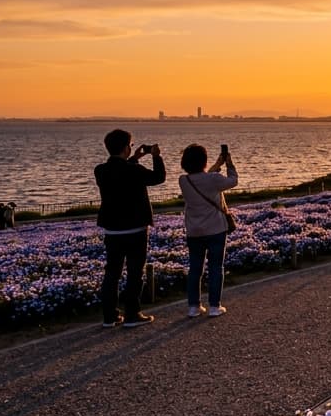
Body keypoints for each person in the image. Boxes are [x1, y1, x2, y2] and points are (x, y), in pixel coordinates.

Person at [94, 129, 165, 328]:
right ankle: (132, 314)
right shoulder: (134, 171)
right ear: (126, 147)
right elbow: (158, 177)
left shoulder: (100, 170)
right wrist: (156, 157)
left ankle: (109, 316)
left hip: (112, 230)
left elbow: (119, 171)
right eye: (130, 146)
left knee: (112, 274)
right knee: (135, 273)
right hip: (135, 230)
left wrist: (134, 158)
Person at [179, 144, 238, 319]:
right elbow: (233, 180)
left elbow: (204, 179)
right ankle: (214, 306)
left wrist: (216, 164)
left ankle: (193, 307)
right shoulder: (214, 179)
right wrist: (229, 164)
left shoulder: (184, 180)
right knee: (215, 267)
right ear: (203, 161)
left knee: (195, 269)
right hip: (215, 229)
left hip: (194, 231)